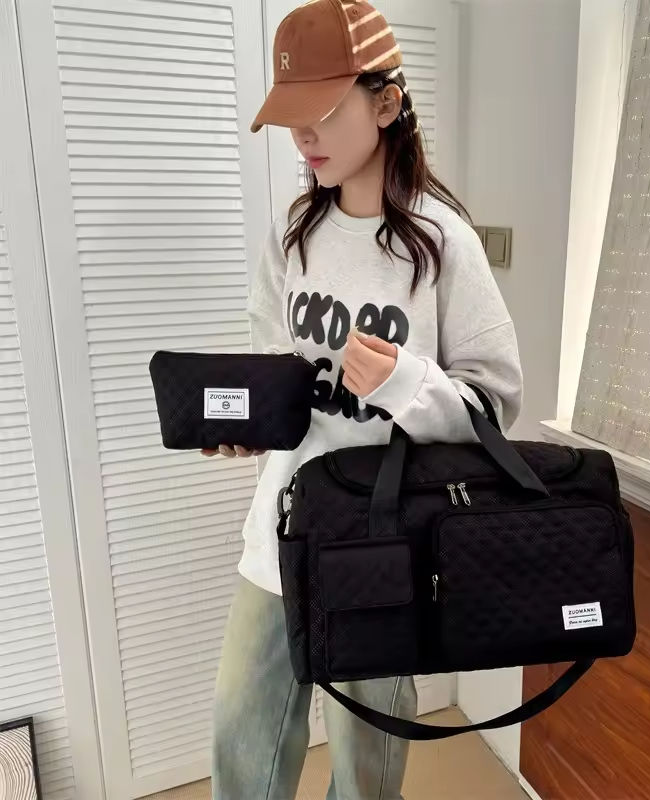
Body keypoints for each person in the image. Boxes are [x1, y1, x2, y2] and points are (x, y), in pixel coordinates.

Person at [208, 1, 524, 797]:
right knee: (241, 739)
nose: (302, 136)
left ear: (386, 104)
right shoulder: (292, 235)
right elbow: (276, 369)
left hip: (382, 540)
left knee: (365, 764)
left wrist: (404, 383)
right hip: (283, 525)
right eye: (291, 116)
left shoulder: (443, 244)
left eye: (321, 111)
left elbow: (495, 407)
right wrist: (252, 423)